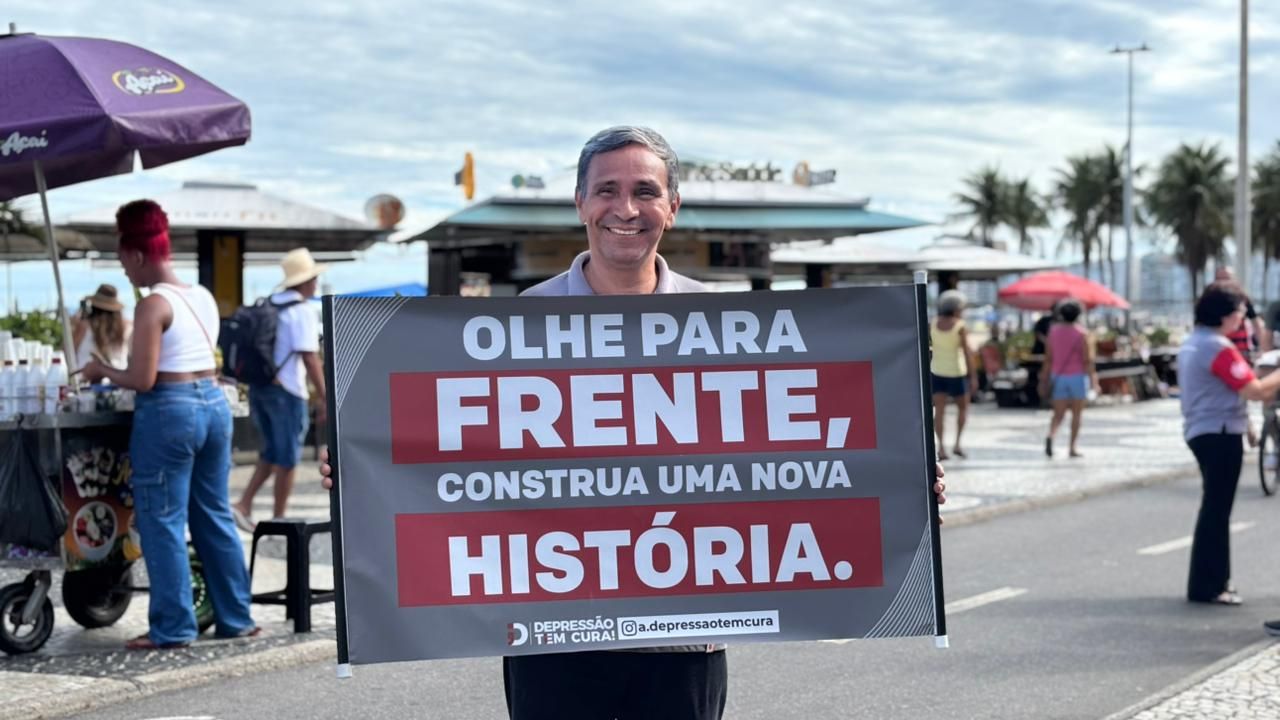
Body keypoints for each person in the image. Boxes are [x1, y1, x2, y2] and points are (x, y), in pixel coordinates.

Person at [320, 126, 946, 720]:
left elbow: (793, 447)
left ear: (672, 207)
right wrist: (365, 465)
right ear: (581, 204)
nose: (626, 208)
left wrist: (903, 477)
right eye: (607, 190)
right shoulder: (518, 322)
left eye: (645, 191)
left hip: (684, 636)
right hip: (551, 633)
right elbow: (457, 451)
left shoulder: (726, 322)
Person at [80, 200, 257, 649]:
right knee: (214, 514)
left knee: (162, 521)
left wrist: (101, 370)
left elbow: (143, 379)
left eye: (124, 261)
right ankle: (237, 617)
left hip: (170, 412)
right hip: (214, 407)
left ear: (138, 255)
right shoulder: (202, 296)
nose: (125, 272)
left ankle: (174, 627)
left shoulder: (152, 305)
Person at [1177, 281, 1280, 606]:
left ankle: (1211, 581)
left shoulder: (1194, 342)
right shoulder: (1217, 347)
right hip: (1219, 432)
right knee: (1217, 512)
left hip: (1204, 429)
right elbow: (1255, 390)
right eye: (1239, 312)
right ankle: (1210, 585)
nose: (1242, 318)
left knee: (1214, 509)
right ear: (1224, 313)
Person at [232, 248, 327, 529]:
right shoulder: (302, 311)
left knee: (271, 453)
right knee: (287, 459)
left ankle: (244, 504)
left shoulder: (270, 304)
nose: (316, 283)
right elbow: (310, 357)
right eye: (314, 279)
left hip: (261, 388)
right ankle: (280, 518)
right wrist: (325, 397)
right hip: (287, 392)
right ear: (305, 281)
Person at [1039, 300, 1098, 458]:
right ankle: (1072, 447)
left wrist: (1043, 379)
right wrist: (1094, 381)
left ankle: (1051, 435)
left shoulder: (1053, 332)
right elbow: (1088, 360)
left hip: (1058, 377)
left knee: (1058, 413)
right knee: (1077, 414)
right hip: (1077, 377)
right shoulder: (1082, 333)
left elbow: (1048, 359)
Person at [930, 289, 977, 460]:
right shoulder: (960, 326)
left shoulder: (932, 323)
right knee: (963, 409)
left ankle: (941, 448)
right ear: (957, 308)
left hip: (937, 371)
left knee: (939, 412)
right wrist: (973, 376)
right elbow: (967, 352)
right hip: (957, 372)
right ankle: (957, 444)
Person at [72, 283, 131, 369]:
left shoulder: (84, 325)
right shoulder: (126, 326)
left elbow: (69, 351)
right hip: (118, 373)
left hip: (87, 374)